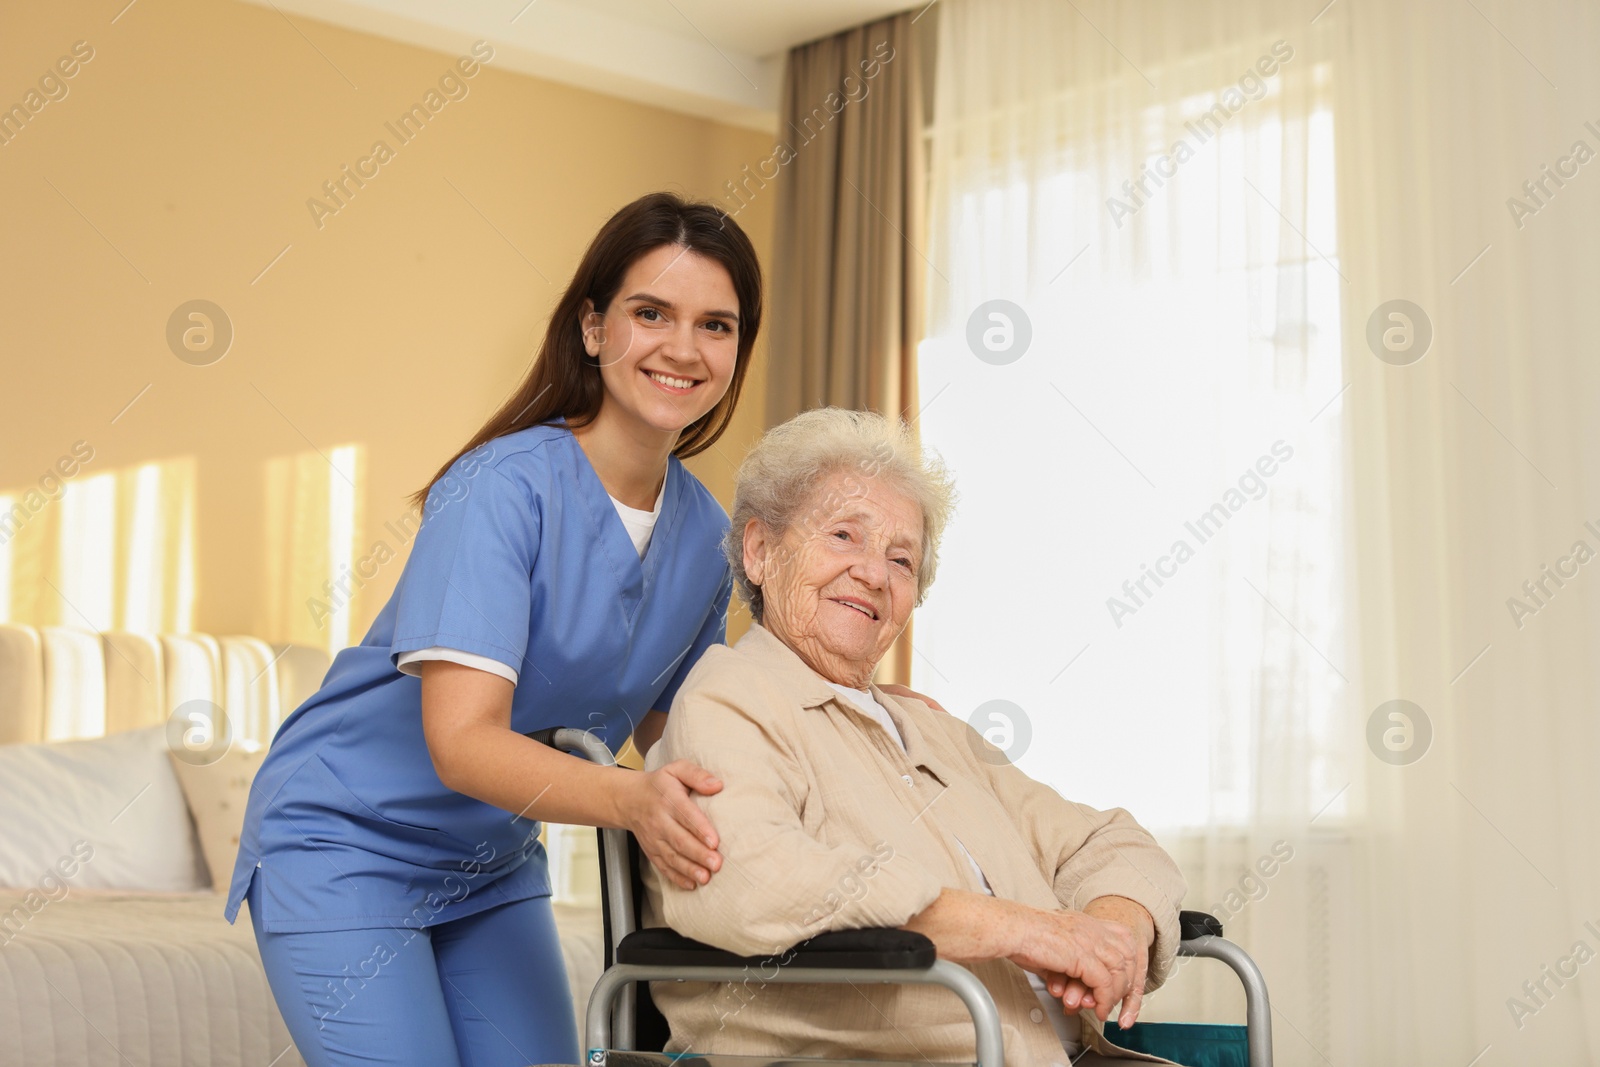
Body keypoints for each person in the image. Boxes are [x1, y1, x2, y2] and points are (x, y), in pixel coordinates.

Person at [222, 192, 922, 1067]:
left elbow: (702, 733)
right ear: (593, 329)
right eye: (651, 312)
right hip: (344, 844)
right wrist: (630, 802)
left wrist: (856, 717)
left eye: (716, 324)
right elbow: (463, 743)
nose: (683, 346)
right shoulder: (500, 489)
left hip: (490, 864)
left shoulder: (706, 537)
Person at [642, 407, 1189, 1067]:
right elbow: (756, 877)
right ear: (759, 550)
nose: (874, 573)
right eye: (844, 534)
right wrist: (1029, 930)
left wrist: (1111, 929)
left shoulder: (928, 728)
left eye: (900, 559)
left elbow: (1109, 840)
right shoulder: (727, 701)